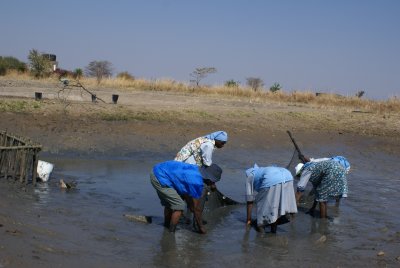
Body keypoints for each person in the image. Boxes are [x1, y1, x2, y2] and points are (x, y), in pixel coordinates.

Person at [150, 160, 222, 234]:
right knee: (179, 205)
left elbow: (187, 193)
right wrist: (201, 227)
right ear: (209, 179)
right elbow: (197, 209)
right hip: (160, 177)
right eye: (213, 181)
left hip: (158, 169)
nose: (213, 184)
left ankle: (166, 226)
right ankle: (171, 232)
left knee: (170, 204)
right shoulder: (196, 182)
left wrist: (191, 206)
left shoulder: (196, 169)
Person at [245, 164, 298, 233]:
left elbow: (249, 200)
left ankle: (261, 234)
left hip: (272, 178)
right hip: (288, 175)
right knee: (275, 208)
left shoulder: (249, 175)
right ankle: (273, 231)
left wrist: (248, 219)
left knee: (262, 211)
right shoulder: (262, 169)